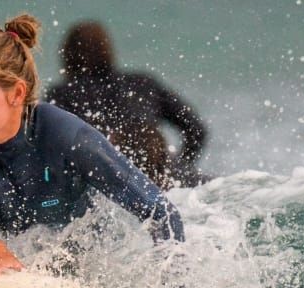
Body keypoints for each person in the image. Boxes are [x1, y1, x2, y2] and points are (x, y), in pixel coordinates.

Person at [0, 14, 184, 288]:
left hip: (96, 272)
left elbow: (161, 211)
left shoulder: (67, 136)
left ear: (17, 94)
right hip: (29, 264)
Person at [44, 20, 206, 189]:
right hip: (162, 173)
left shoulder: (61, 94)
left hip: (107, 177)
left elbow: (49, 148)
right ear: (108, 51)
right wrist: (177, 166)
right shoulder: (143, 83)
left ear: (67, 56)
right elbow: (196, 130)